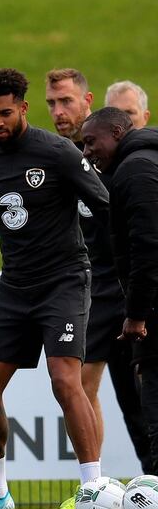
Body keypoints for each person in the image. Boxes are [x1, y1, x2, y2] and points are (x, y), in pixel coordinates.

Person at [0, 68, 108, 509]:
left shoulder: (56, 152)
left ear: (23, 108)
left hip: (64, 281)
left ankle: (92, 490)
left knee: (64, 379)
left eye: (5, 112)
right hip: (14, 286)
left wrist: (126, 266)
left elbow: (104, 203)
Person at [44, 70, 152, 509]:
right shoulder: (62, 155)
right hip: (89, 286)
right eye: (51, 103)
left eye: (65, 101)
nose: (58, 112)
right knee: (81, 384)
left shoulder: (124, 162)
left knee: (138, 391)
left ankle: (148, 482)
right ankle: (94, 489)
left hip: (126, 286)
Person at [81, 107, 158, 476]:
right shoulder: (143, 161)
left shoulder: (136, 169)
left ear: (116, 131)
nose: (86, 151)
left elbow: (147, 247)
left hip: (147, 310)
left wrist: (137, 313)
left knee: (152, 400)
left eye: (92, 142)